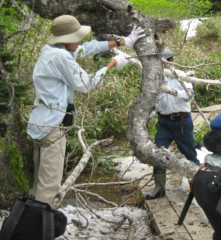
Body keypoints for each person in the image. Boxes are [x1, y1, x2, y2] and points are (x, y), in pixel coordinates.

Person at [27, 15, 145, 207]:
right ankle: (41, 227)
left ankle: (30, 223)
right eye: (77, 37)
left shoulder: (51, 49)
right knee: (48, 189)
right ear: (66, 39)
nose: (80, 40)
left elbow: (85, 49)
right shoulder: (61, 57)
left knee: (38, 185)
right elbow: (87, 83)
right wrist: (112, 65)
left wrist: (122, 42)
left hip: (39, 122)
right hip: (51, 128)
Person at [145, 48, 200, 200]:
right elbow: (153, 100)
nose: (162, 66)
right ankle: (159, 189)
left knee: (189, 154)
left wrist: (172, 91)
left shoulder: (182, 76)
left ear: (171, 61)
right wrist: (149, 115)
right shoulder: (155, 79)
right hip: (164, 123)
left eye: (164, 62)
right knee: (157, 153)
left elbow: (189, 95)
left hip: (183, 122)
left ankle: (197, 187)